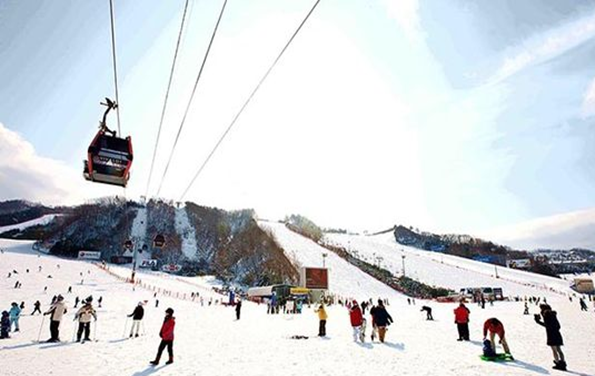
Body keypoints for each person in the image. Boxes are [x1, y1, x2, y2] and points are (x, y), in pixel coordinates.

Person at [535, 304, 566, 370]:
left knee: (554, 350)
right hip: (557, 333)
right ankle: (563, 363)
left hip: (551, 334)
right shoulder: (553, 314)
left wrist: (538, 321)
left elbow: (547, 325)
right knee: (559, 350)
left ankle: (557, 363)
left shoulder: (546, 314)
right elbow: (558, 326)